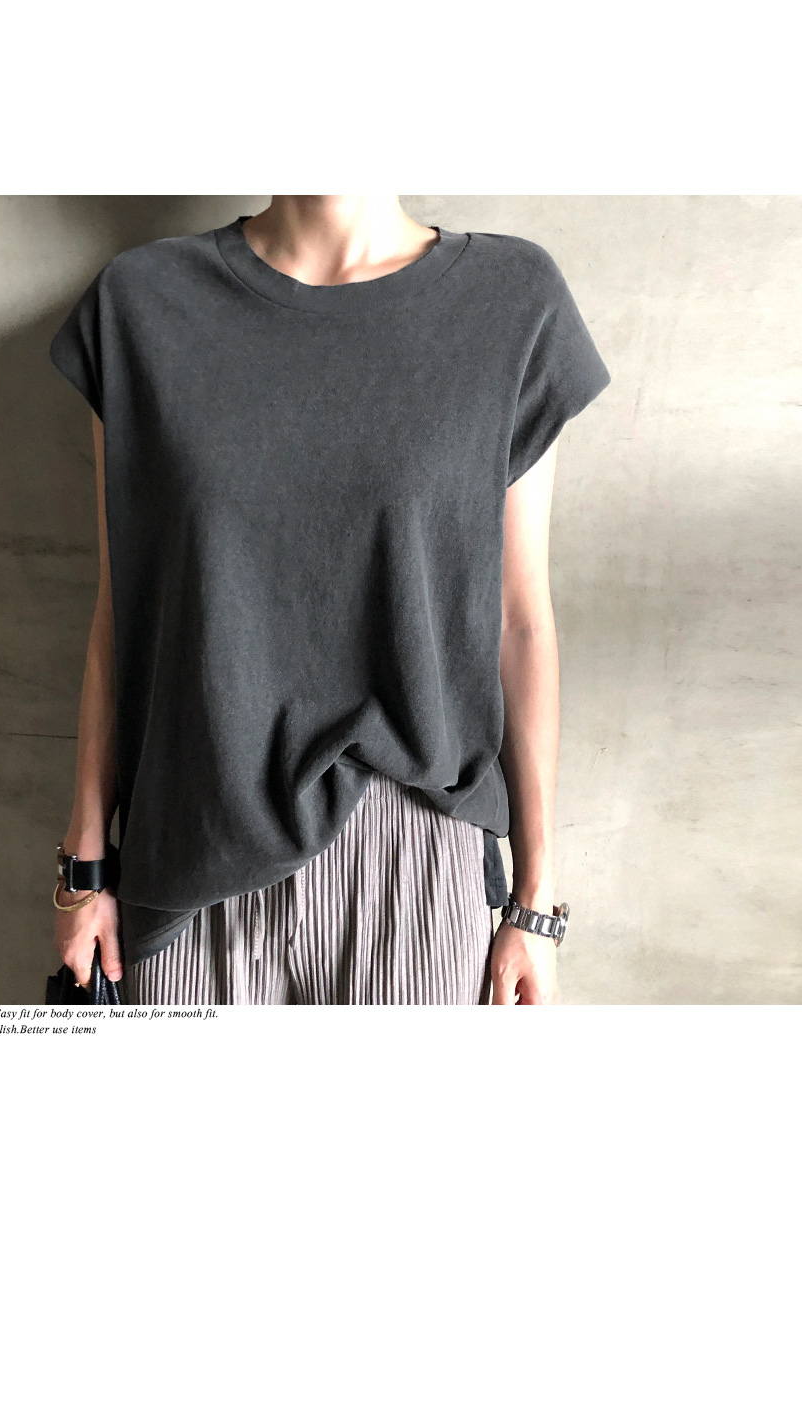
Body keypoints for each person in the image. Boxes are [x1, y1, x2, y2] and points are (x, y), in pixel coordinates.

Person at [48, 192, 609, 1008]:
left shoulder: (509, 300)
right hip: (192, 851)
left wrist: (535, 902)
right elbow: (122, 615)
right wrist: (84, 868)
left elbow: (520, 621)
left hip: (415, 856)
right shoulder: (142, 304)